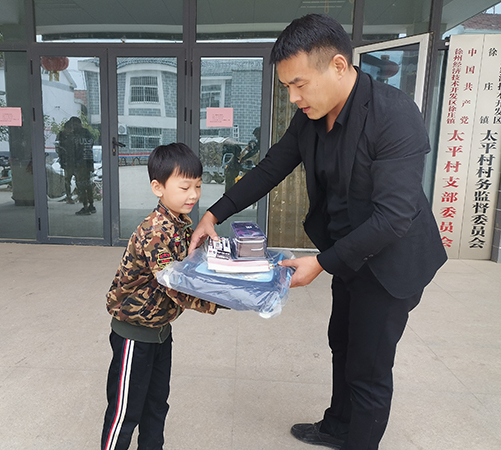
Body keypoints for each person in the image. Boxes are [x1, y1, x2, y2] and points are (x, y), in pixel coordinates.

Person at [189, 14, 447, 450]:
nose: (293, 97)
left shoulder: (393, 114)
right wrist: (214, 213)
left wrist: (322, 263)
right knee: (341, 343)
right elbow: (271, 168)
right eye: (287, 87)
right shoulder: (311, 117)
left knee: (368, 368)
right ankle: (337, 427)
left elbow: (394, 216)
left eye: (299, 84)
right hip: (347, 252)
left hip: (392, 262)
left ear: (339, 66)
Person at [101, 143, 220, 450]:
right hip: (135, 335)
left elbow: (191, 267)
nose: (193, 195)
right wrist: (222, 299)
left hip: (159, 331)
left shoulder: (180, 224)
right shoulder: (155, 231)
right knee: (125, 412)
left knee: (156, 404)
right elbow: (174, 284)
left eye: (198, 186)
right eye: (185, 187)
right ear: (158, 187)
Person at [68, 117, 96, 215]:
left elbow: (73, 151)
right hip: (88, 162)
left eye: (73, 124)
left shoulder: (76, 135)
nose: (73, 127)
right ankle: (91, 205)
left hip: (81, 163)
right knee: (87, 184)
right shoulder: (87, 133)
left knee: (81, 185)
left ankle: (86, 207)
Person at [56, 117, 77, 204]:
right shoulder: (61, 136)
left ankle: (79, 196)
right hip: (67, 162)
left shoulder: (73, 136)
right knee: (67, 180)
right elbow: (58, 148)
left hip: (74, 161)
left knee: (77, 179)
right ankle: (69, 196)